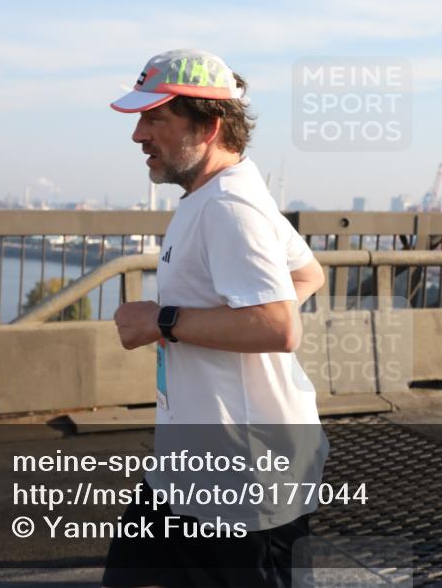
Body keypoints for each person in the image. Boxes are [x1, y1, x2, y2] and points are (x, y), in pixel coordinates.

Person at [102, 49, 328, 588]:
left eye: (155, 118)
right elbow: (308, 274)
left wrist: (164, 321)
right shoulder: (218, 195)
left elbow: (278, 326)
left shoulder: (230, 207)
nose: (139, 135)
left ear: (208, 125)